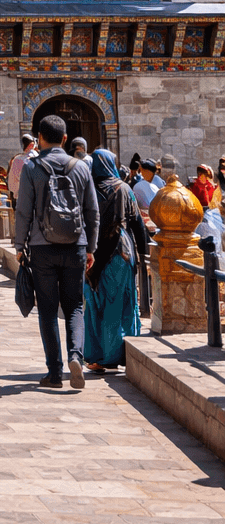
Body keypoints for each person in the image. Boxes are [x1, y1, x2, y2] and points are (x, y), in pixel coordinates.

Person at [14, 112, 99, 390]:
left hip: (42, 248)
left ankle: (54, 372)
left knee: (48, 310)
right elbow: (92, 211)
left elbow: (23, 211)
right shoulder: (81, 167)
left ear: (39, 138)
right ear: (65, 139)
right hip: (76, 245)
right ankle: (76, 356)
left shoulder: (32, 168)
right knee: (75, 306)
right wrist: (91, 247)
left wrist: (19, 245)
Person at [85, 148, 146, 372]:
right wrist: (143, 254)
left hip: (90, 254)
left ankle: (96, 356)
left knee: (94, 304)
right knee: (117, 303)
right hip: (119, 253)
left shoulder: (86, 188)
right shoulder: (124, 189)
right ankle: (117, 354)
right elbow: (137, 223)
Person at [6, 134, 36, 211]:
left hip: (21, 200)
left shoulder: (17, 160)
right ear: (32, 144)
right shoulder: (38, 157)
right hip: (37, 201)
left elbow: (11, 185)